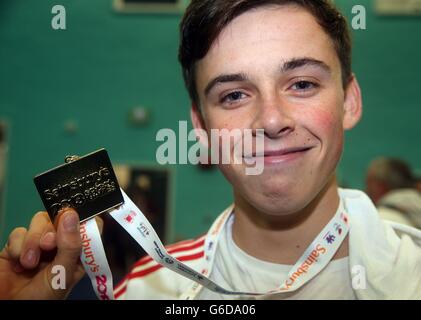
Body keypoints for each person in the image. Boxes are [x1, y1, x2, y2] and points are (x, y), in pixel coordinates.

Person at [1, 0, 421, 300]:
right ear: (201, 127)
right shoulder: (148, 290)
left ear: (349, 100)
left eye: (302, 84)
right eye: (235, 95)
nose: (272, 120)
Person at [366, 157, 421, 229]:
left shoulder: (378, 221)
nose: (366, 190)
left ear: (379, 187)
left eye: (368, 183)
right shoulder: (417, 209)